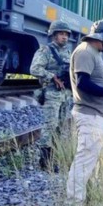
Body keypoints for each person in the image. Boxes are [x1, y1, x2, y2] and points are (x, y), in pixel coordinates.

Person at [67, 20, 103, 206]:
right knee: (85, 158)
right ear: (102, 38)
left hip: (95, 114)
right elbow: (82, 83)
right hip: (89, 114)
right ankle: (73, 204)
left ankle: (81, 197)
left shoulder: (93, 52)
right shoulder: (85, 52)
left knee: (89, 157)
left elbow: (92, 81)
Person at [30, 20, 73, 170]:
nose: (64, 37)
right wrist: (52, 76)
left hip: (65, 95)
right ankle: (44, 162)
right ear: (54, 35)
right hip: (51, 94)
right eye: (61, 34)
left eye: (66, 34)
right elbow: (34, 69)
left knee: (60, 127)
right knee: (50, 126)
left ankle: (53, 157)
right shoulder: (45, 50)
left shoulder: (68, 52)